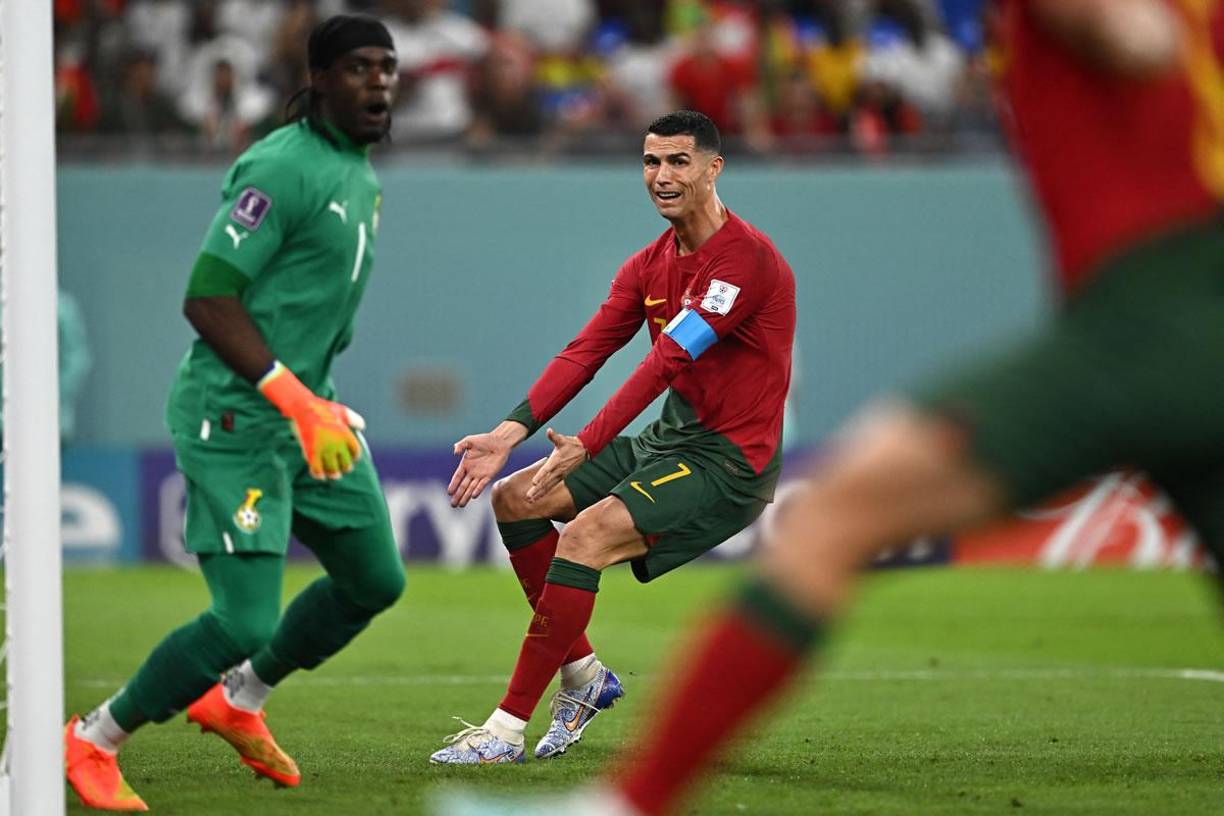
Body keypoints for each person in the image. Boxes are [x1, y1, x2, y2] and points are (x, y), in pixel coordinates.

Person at [556, 1, 1221, 813]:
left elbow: (1132, 38)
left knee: (832, 518)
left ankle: (624, 804)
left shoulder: (745, 258)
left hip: (1151, 316)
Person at [64, 15, 404, 812]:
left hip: (307, 417)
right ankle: (92, 739)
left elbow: (299, 308)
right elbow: (208, 297)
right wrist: (291, 396)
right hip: (236, 419)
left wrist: (315, 399)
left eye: (387, 68)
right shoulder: (281, 167)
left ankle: (238, 700)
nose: (379, 83)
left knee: (373, 579)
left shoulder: (360, 176)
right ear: (317, 78)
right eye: (359, 68)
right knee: (244, 619)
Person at [430, 109, 797, 765]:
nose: (661, 175)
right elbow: (585, 352)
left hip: (728, 461)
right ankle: (585, 674)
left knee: (587, 535)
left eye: (678, 161)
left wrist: (590, 440)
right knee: (515, 500)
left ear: (714, 169)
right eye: (651, 162)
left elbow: (669, 360)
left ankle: (505, 731)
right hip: (668, 442)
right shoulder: (648, 264)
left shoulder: (744, 263)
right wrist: (509, 433)